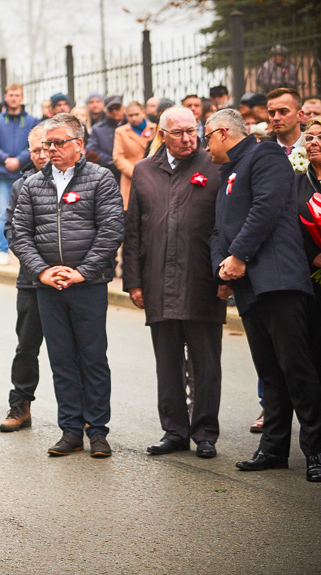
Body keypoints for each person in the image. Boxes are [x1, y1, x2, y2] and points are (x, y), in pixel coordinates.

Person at [205, 108, 321, 482]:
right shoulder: (226, 174)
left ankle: (317, 451)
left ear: (223, 132)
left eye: (207, 136)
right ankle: (273, 449)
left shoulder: (265, 154)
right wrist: (221, 270)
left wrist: (238, 256)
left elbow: (265, 208)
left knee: (298, 371)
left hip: (279, 280)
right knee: (270, 374)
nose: (205, 145)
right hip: (249, 285)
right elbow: (218, 230)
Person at [10, 113, 123, 458]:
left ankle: (98, 431)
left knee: (92, 357)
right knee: (61, 360)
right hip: (48, 287)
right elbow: (19, 234)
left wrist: (82, 272)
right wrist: (42, 272)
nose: (51, 150)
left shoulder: (101, 179)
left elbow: (111, 230)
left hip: (88, 285)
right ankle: (70, 429)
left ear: (79, 146)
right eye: (47, 143)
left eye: (59, 143)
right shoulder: (32, 184)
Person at [123, 106, 225, 459]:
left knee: (206, 364)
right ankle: (174, 431)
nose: (187, 138)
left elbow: (225, 226)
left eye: (192, 131)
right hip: (157, 282)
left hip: (203, 280)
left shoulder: (214, 166)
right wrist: (133, 281)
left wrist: (225, 277)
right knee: (167, 363)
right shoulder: (144, 171)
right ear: (162, 134)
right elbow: (133, 228)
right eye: (179, 132)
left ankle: (206, 433)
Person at [0, 125, 48, 432]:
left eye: (47, 147)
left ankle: (82, 415)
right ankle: (20, 406)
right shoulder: (22, 184)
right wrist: (38, 267)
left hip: (70, 281)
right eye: (35, 150)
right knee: (26, 347)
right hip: (30, 280)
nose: (42, 155)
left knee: (73, 352)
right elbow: (12, 232)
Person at [0, 83, 37, 265]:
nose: (14, 98)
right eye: (11, 95)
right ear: (5, 97)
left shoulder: (31, 121)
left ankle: (29, 250)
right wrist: (7, 159)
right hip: (2, 174)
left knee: (30, 212)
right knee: (1, 212)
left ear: (21, 97)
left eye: (17, 95)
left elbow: (34, 144)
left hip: (25, 174)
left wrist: (20, 160)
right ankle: (3, 250)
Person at [295, 117, 321, 381]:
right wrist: (313, 256)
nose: (314, 142)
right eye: (310, 137)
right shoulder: (296, 182)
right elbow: (288, 225)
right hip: (311, 276)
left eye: (320, 136)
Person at [112, 100, 156, 209]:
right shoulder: (121, 131)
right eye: (130, 115)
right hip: (131, 178)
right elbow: (118, 157)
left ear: (143, 112)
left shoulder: (154, 128)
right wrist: (135, 172)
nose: (134, 118)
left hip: (153, 175)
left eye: (137, 114)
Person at [87, 95, 125, 182]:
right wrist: (112, 161)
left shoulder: (130, 126)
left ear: (123, 107)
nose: (114, 111)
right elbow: (92, 149)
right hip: (109, 173)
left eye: (117, 108)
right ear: (106, 110)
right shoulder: (98, 129)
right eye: (111, 109)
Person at [265, 87, 305, 152]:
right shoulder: (261, 150)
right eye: (272, 113)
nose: (276, 118)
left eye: (283, 112)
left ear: (300, 115)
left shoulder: (315, 145)